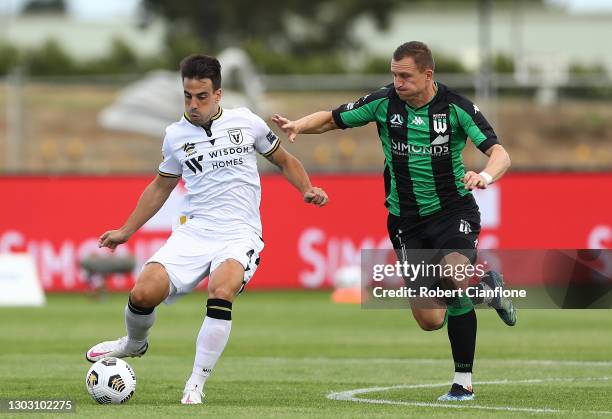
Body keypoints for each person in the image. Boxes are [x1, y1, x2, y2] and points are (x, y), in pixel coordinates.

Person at [272, 41, 515, 402]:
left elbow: (499, 152)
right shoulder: (385, 102)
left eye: (405, 76)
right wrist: (298, 125)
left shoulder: (457, 109)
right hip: (406, 221)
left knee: (455, 272)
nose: (397, 82)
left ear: (427, 75)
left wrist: (486, 176)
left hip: (453, 211)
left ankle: (462, 383)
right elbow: (333, 118)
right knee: (430, 319)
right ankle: (487, 289)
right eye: (394, 75)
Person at [86, 54, 328, 405]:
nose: (193, 104)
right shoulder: (175, 136)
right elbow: (160, 187)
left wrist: (306, 188)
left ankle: (195, 385)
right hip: (194, 232)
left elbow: (285, 160)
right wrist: (126, 230)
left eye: (201, 96)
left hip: (239, 232)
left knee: (221, 288)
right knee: (142, 293)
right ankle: (134, 343)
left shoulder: (247, 123)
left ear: (218, 95)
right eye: (187, 96)